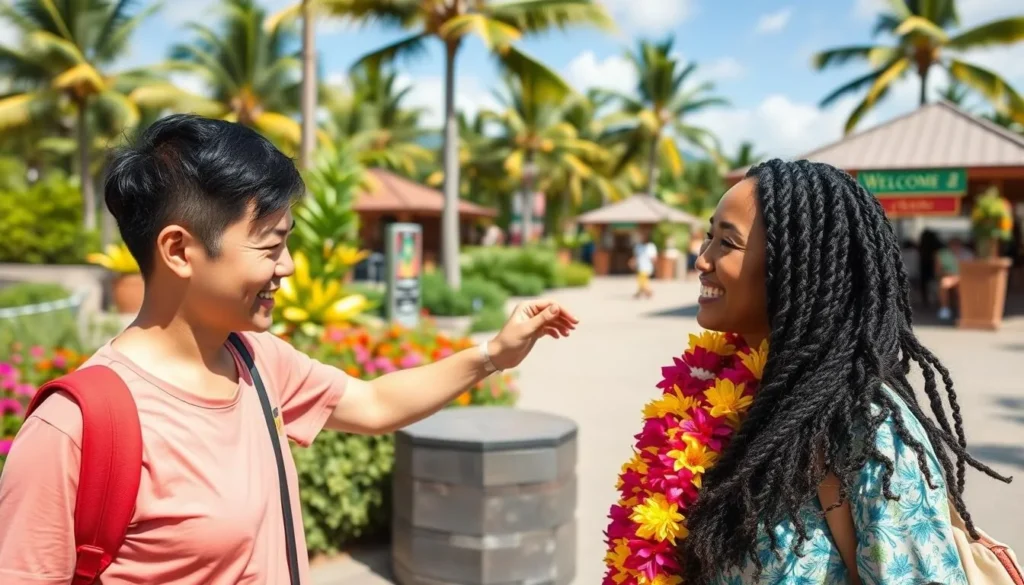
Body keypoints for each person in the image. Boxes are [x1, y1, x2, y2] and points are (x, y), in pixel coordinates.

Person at [0, 115, 579, 585]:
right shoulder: (74, 429)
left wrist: (493, 354)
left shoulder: (256, 360)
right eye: (271, 245)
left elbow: (372, 403)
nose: (289, 266)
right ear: (178, 250)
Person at [608, 159, 1010, 585]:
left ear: (793, 262)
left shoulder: (870, 432)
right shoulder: (730, 387)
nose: (702, 260)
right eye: (709, 237)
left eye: (726, 242)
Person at [935, 236, 974, 321]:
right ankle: (945, 309)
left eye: (957, 245)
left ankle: (962, 310)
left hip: (963, 278)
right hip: (949, 277)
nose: (955, 246)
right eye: (953, 244)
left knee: (960, 288)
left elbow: (972, 270)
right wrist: (949, 274)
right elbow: (938, 271)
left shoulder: (968, 254)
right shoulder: (942, 254)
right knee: (943, 283)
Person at [630, 230, 657, 299]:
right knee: (642, 280)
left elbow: (653, 257)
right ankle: (640, 293)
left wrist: (655, 266)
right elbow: (636, 256)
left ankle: (648, 292)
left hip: (647, 267)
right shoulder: (638, 246)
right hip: (640, 266)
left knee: (642, 280)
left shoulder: (651, 246)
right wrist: (632, 262)